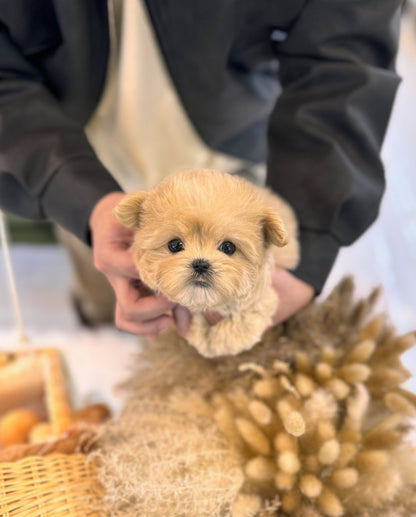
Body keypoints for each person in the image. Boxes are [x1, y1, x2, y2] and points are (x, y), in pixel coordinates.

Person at [0, 0, 404, 339]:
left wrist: (310, 241)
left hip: (237, 146)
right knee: (114, 317)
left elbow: (345, 47)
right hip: (66, 145)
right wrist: (75, 194)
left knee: (250, 332)